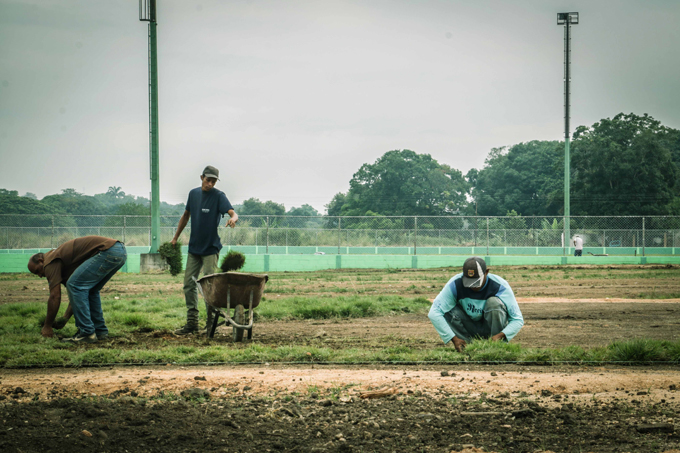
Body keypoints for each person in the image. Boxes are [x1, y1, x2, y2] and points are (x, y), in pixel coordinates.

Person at [172, 165, 239, 335]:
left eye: (213, 181)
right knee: (189, 284)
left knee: (209, 286)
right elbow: (186, 216)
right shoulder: (193, 194)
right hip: (194, 248)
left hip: (210, 248)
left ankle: (211, 322)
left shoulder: (219, 196)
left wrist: (233, 218)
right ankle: (192, 322)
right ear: (201, 177)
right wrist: (175, 238)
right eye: (208, 180)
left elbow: (232, 212)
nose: (210, 184)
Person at [27, 236, 127, 343]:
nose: (40, 275)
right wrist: (64, 318)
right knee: (90, 290)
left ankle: (87, 333)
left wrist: (47, 326)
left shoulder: (50, 261)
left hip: (107, 251)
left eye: (37, 270)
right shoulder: (59, 259)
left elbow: (55, 296)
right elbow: (77, 296)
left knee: (74, 285)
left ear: (41, 261)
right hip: (119, 251)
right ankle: (100, 331)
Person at [428, 256, 524, 352]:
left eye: (477, 281)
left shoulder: (500, 286)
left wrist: (499, 336)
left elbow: (517, 319)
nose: (473, 286)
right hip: (469, 327)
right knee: (447, 309)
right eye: (469, 282)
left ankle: (496, 346)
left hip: (492, 330)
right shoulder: (455, 284)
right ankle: (467, 345)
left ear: (486, 272)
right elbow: (434, 313)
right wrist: (454, 338)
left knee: (494, 303)